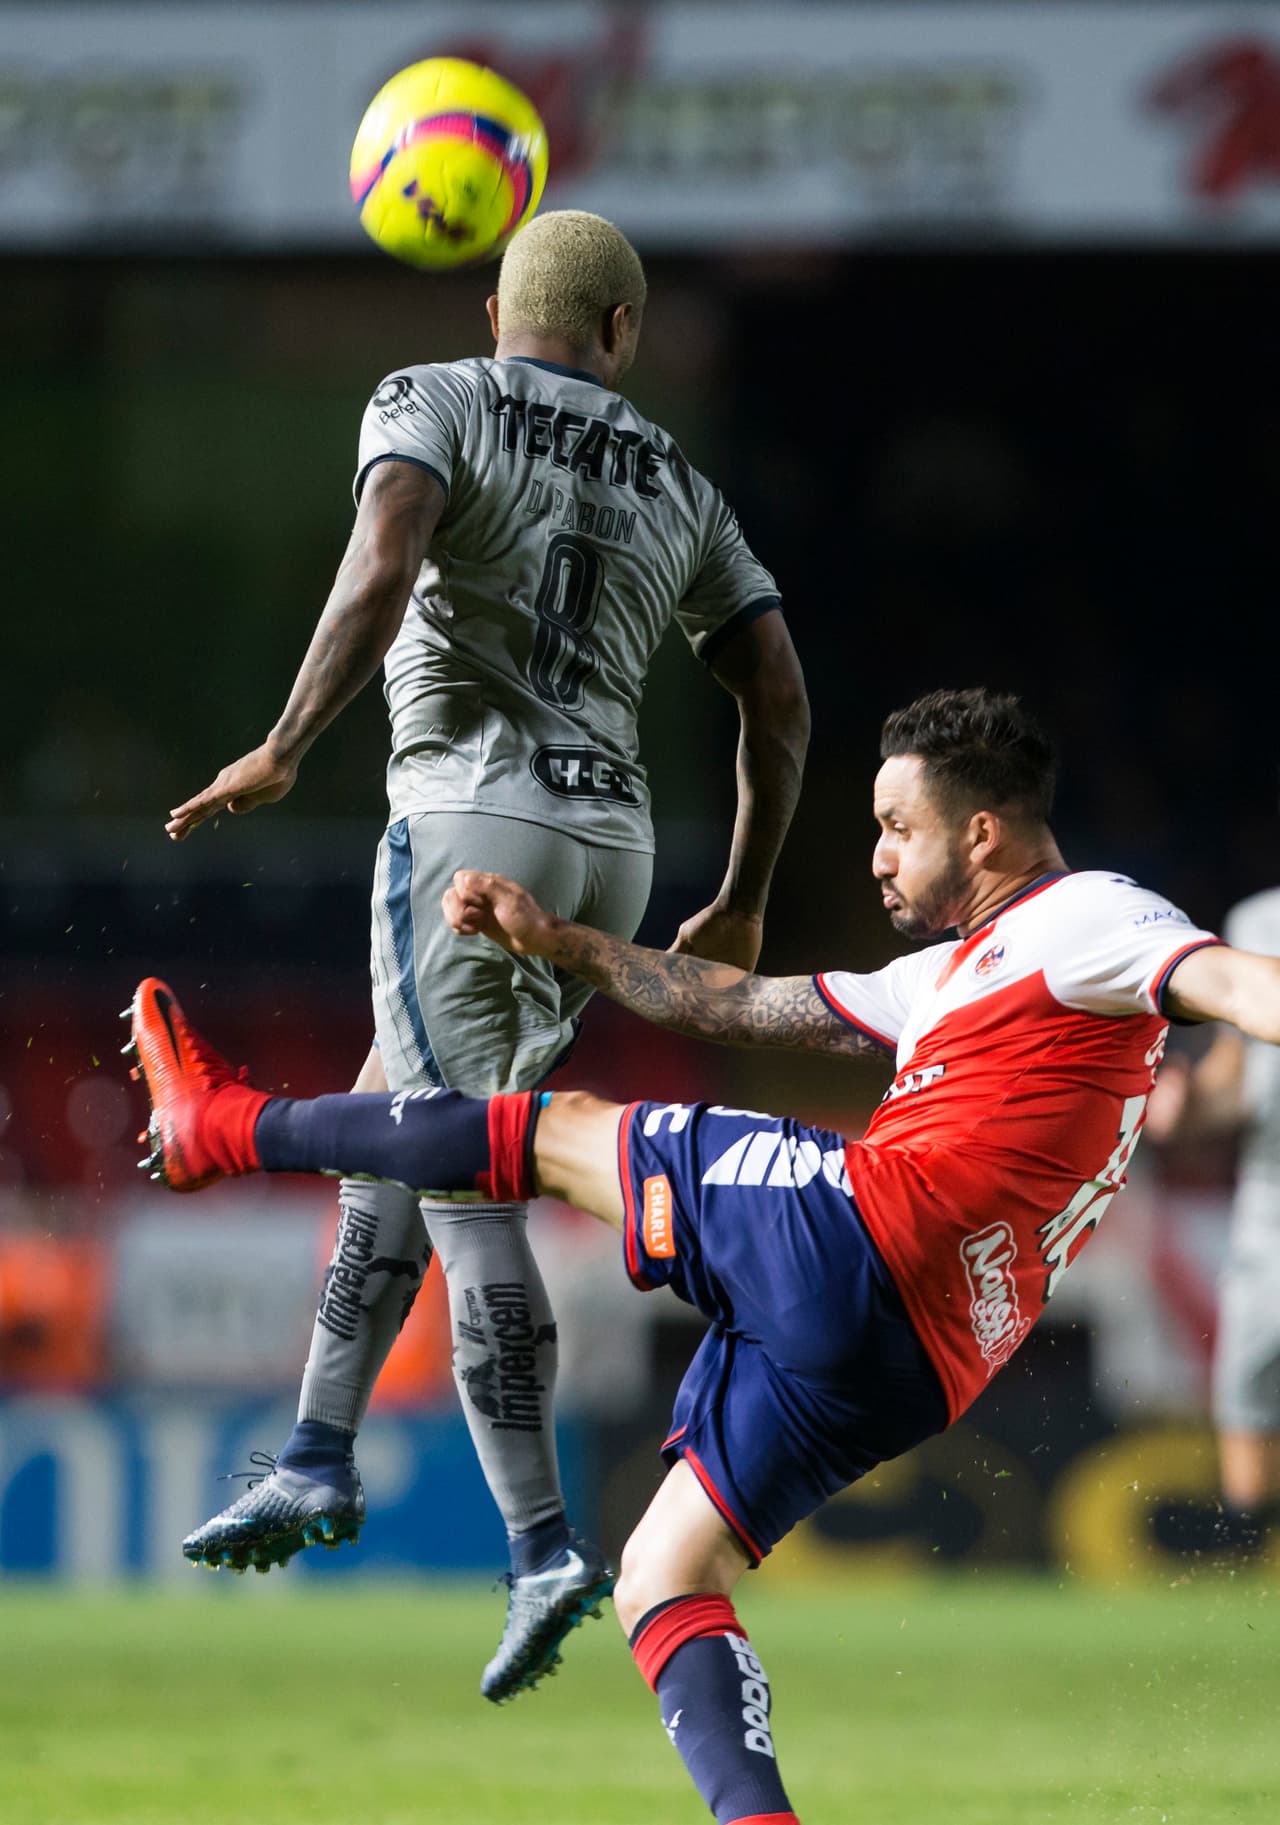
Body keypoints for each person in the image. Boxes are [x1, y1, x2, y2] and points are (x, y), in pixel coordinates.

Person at [126, 684, 1279, 1825]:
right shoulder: (945, 977)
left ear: (981, 831)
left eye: (896, 827)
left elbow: (1225, 983)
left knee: (553, 1130)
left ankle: (220, 1128)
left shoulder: (1089, 916)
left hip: (868, 1230)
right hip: (918, 1359)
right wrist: (562, 942)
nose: (875, 856)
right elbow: (740, 1006)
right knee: (661, 1575)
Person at [161, 207, 809, 1702]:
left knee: (459, 1170)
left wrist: (281, 743)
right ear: (622, 334)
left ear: (496, 304)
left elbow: (385, 562)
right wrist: (750, 891)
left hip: (466, 824)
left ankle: (538, 1544)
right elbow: (775, 694)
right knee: (405, 1120)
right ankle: (318, 1448)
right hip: (616, 852)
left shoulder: (431, 396)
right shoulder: (684, 482)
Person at [1144, 884, 1280, 1551]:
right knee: (1248, 1393)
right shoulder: (1258, 918)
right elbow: (1240, 1073)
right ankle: (1251, 1579)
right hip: (1270, 1207)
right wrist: (1189, 1106)